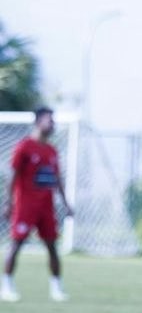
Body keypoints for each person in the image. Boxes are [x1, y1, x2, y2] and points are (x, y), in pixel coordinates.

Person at [2, 107, 73, 303]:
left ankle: (56, 288)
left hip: (46, 206)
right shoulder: (24, 147)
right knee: (16, 245)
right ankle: (6, 285)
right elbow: (13, 176)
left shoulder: (51, 150)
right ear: (38, 121)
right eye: (49, 120)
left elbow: (57, 178)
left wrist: (66, 204)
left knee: (52, 247)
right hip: (25, 205)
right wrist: (9, 203)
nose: (52, 124)